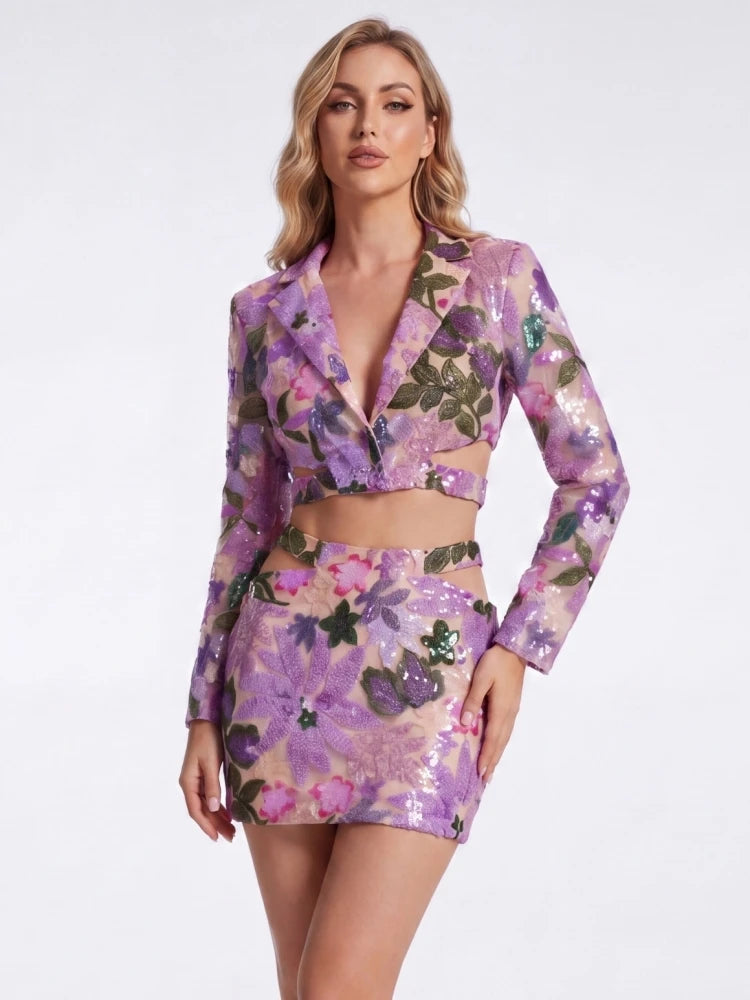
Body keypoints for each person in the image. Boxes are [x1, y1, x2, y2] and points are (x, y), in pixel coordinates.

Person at [178, 16, 630, 1000]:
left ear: (430, 133)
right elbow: (245, 517)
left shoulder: (497, 278)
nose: (367, 125)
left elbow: (595, 475)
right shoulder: (264, 311)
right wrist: (203, 710)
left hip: (433, 664)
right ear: (315, 128)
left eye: (394, 104)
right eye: (343, 104)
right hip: (280, 663)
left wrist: (520, 646)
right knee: (308, 990)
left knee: (340, 984)